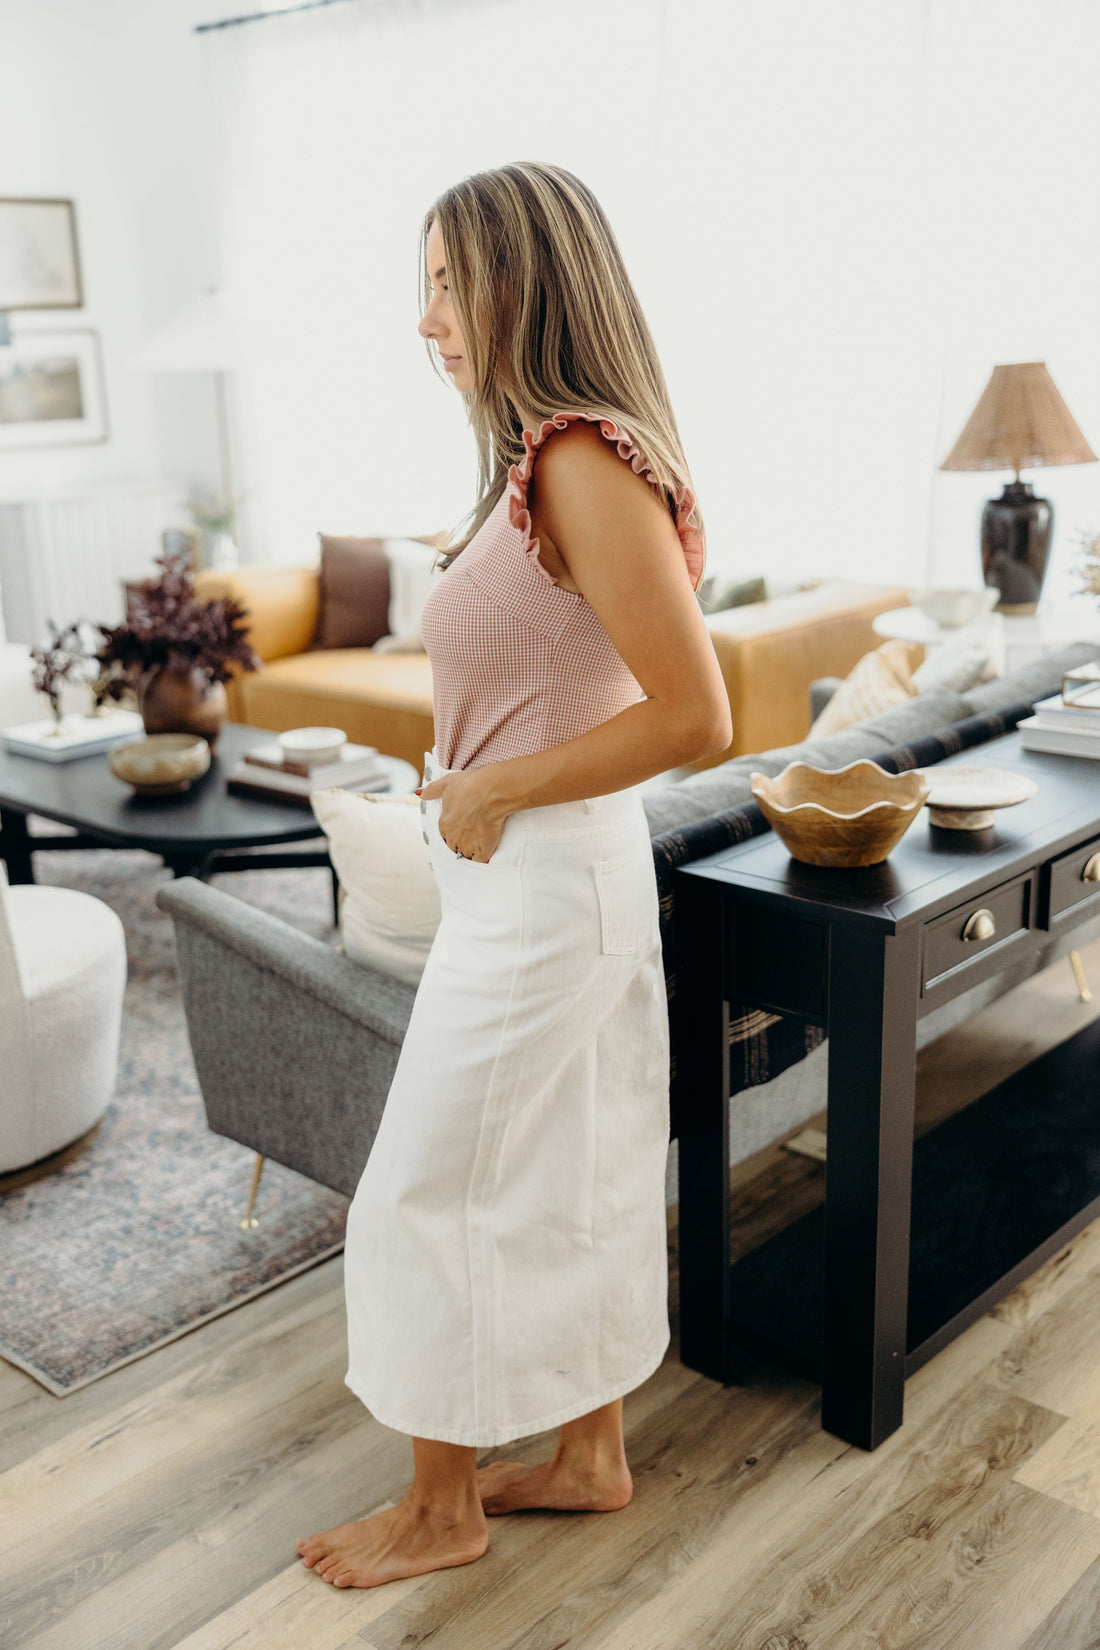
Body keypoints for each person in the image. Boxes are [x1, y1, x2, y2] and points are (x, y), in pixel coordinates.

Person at [297, 161, 732, 1591]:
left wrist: (487, 786)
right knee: (571, 1170)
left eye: (444, 279)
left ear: (520, 277)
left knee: (423, 1186)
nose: (425, 316)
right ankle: (591, 1451)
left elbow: (695, 715)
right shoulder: (547, 456)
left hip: (547, 879)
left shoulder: (578, 456)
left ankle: (439, 1506)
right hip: (550, 881)